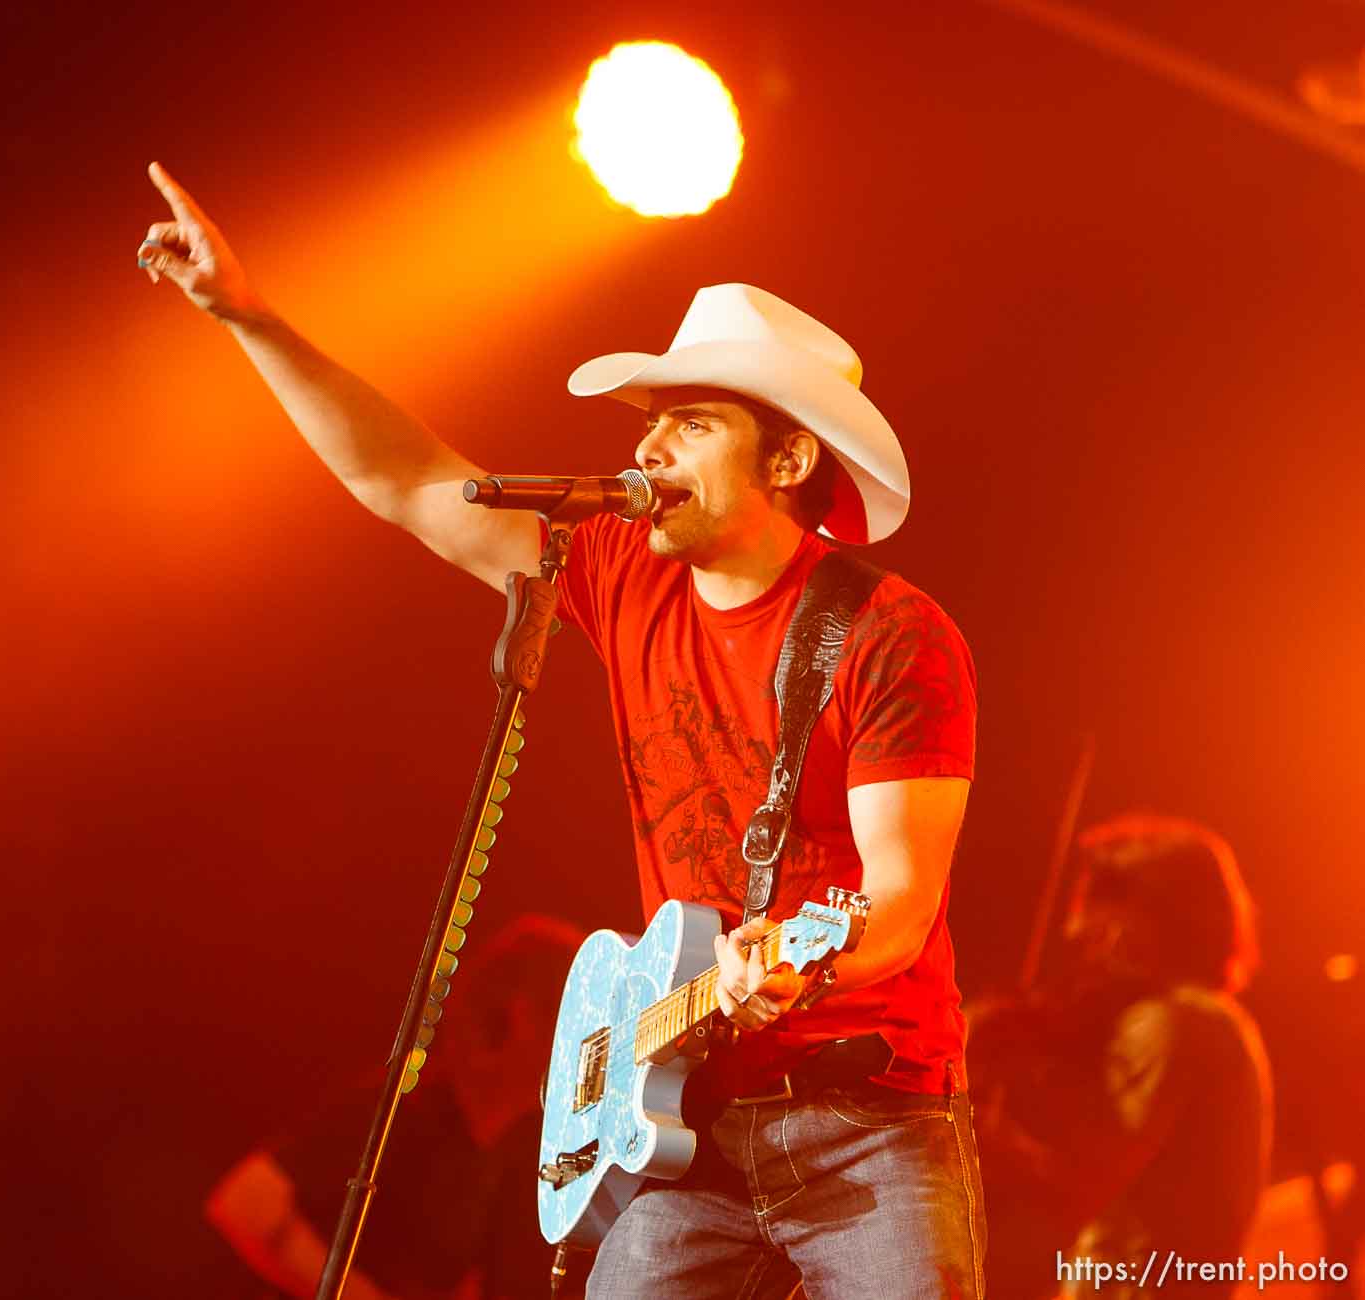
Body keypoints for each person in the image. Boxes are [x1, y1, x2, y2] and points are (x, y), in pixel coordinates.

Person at [140, 159, 983, 1298]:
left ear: (786, 460)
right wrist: (250, 318)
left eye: (688, 424)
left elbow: (895, 900)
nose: (646, 451)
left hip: (870, 1116)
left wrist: (790, 960)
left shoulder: (892, 635)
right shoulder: (620, 573)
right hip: (683, 1105)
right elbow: (407, 483)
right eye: (650, 423)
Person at [204, 915, 589, 1300]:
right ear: (521, 1019)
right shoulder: (406, 1110)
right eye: (570, 1024)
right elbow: (244, 1202)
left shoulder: (499, 1161)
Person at [971, 814, 1272, 1300]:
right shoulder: (1208, 1018)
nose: (1074, 928)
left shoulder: (1173, 1023)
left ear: (1153, 914)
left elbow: (1076, 1184)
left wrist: (971, 1133)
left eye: (1090, 904)